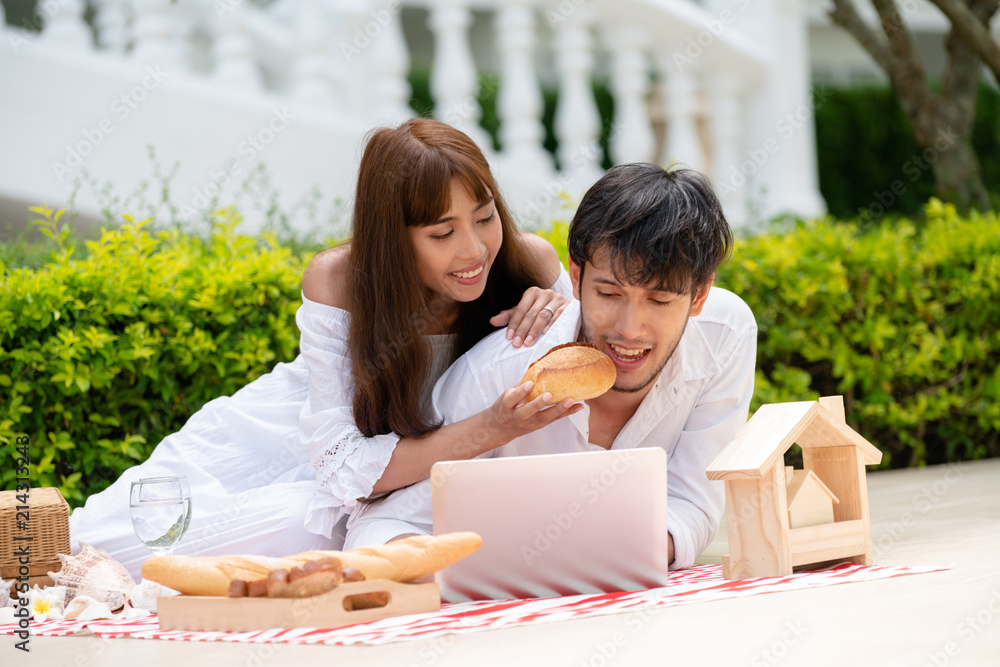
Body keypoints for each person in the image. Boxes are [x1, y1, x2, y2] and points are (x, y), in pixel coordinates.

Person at [69, 118, 580, 579]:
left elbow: (580, 367)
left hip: (402, 469)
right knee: (100, 544)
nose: (473, 249)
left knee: (307, 541)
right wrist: (493, 425)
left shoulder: (526, 263)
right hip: (290, 439)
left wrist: (558, 307)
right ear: (393, 239)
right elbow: (343, 471)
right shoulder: (340, 280)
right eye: (442, 232)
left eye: (485, 217)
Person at [344, 163, 758, 571]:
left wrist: (615, 552)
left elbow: (691, 503)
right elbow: (378, 525)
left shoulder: (724, 335)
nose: (629, 329)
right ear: (575, 278)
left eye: (660, 301)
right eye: (609, 294)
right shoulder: (498, 373)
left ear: (700, 295)